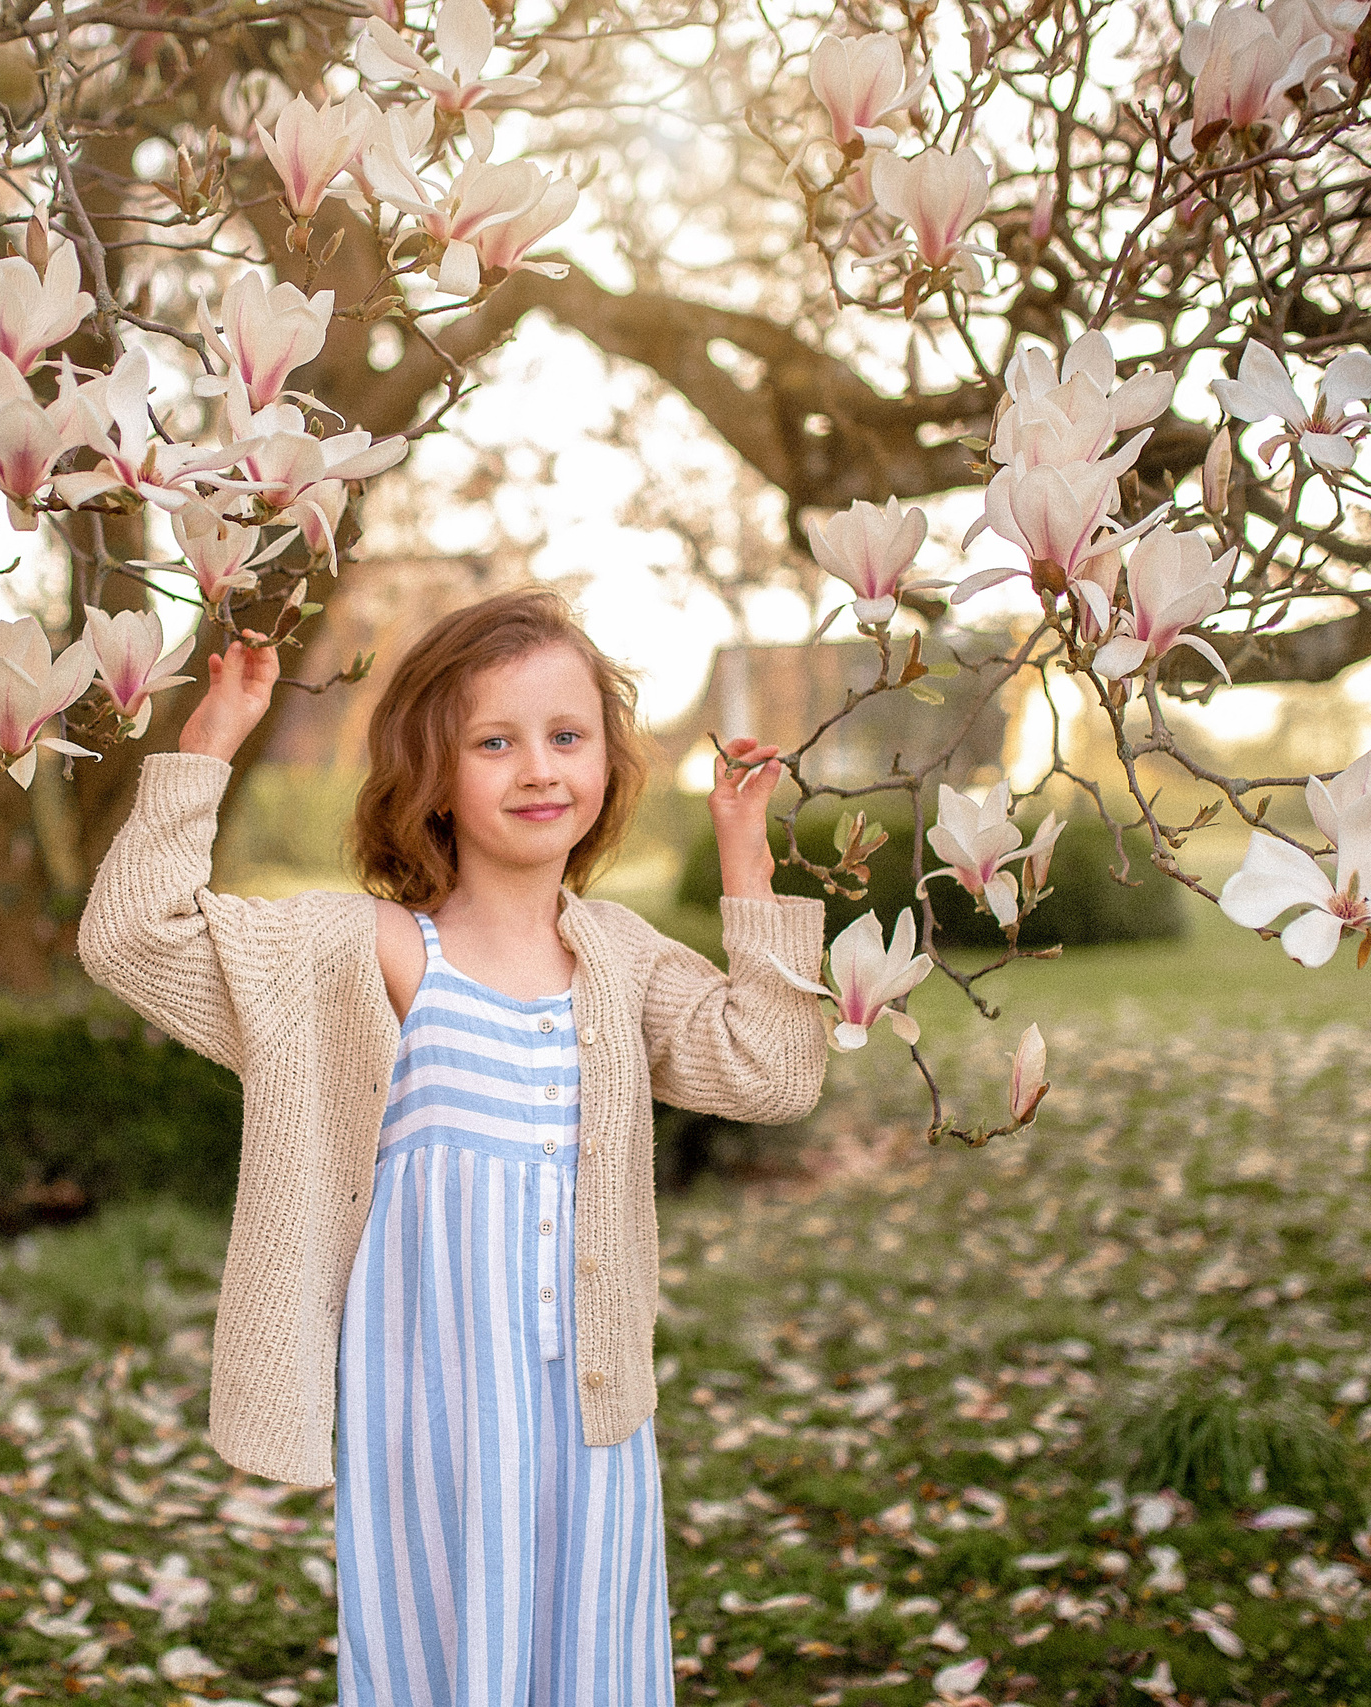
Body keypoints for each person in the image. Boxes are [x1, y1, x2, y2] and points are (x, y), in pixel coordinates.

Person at [79, 588, 830, 1706]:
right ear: (431, 774)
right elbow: (130, 937)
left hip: (590, 1411)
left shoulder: (617, 962)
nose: (539, 769)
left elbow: (774, 1071)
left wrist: (745, 859)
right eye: (496, 742)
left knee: (594, 1664)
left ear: (608, 765)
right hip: (427, 1422)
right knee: (440, 1666)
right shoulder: (367, 951)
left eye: (567, 737)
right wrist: (207, 746)